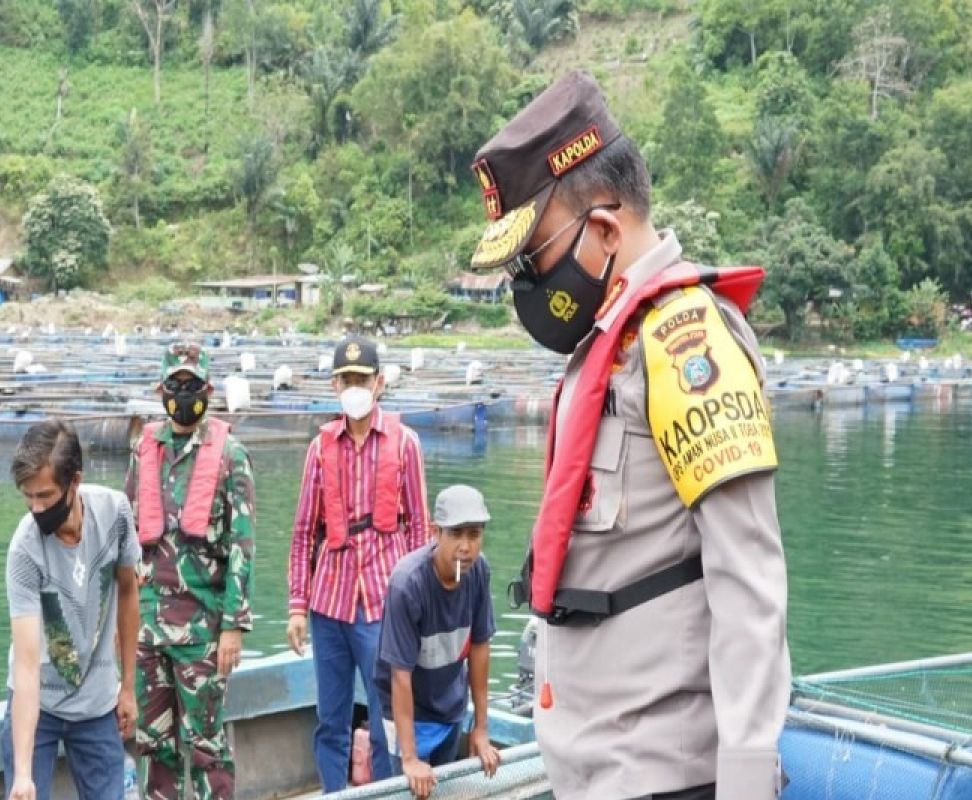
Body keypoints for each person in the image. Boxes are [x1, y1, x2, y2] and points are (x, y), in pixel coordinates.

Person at [467, 70, 791, 800]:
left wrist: (745, 784)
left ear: (606, 230)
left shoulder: (684, 344)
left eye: (531, 259)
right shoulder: (607, 346)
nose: (526, 283)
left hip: (661, 778)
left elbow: (749, 584)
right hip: (595, 771)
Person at [287, 335, 430, 793]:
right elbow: (304, 531)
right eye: (345, 379)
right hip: (329, 604)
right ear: (335, 386)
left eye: (361, 379)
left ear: (379, 383)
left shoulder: (405, 444)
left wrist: (420, 606)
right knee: (330, 719)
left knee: (387, 714)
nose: (354, 387)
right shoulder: (318, 449)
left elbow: (421, 532)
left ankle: (384, 794)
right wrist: (296, 605)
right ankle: (334, 792)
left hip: (384, 606)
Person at [125, 342, 256, 800]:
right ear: (162, 389)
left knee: (205, 747)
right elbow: (127, 533)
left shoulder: (231, 455)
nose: (183, 394)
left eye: (192, 385)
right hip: (148, 630)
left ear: (208, 389)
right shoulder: (145, 450)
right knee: (152, 744)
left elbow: (242, 546)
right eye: (175, 385)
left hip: (203, 628)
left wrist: (234, 627)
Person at [3, 420, 140, 800]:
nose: (36, 508)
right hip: (39, 704)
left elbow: (129, 592)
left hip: (97, 704)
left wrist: (127, 686)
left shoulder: (114, 513)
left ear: (74, 480)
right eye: (27, 497)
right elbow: (27, 666)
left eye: (45, 496)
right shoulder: (24, 550)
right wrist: (23, 775)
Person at [374, 484, 501, 799]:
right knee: (409, 791)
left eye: (474, 534)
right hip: (408, 711)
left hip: (449, 703)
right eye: (456, 534)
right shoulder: (408, 585)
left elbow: (480, 646)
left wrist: (481, 729)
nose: (466, 547)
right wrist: (410, 757)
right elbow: (400, 675)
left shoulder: (476, 572)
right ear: (435, 533)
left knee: (445, 791)